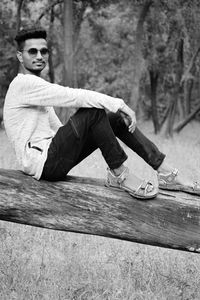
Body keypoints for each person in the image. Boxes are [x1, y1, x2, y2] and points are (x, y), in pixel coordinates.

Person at [3, 27, 199, 200]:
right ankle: (119, 174)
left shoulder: (37, 88)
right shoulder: (23, 84)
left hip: (52, 160)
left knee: (112, 118)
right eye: (32, 51)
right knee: (93, 111)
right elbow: (73, 96)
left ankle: (164, 171)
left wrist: (95, 128)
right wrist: (119, 103)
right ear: (20, 56)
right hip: (43, 165)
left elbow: (59, 132)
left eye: (43, 51)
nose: (39, 55)